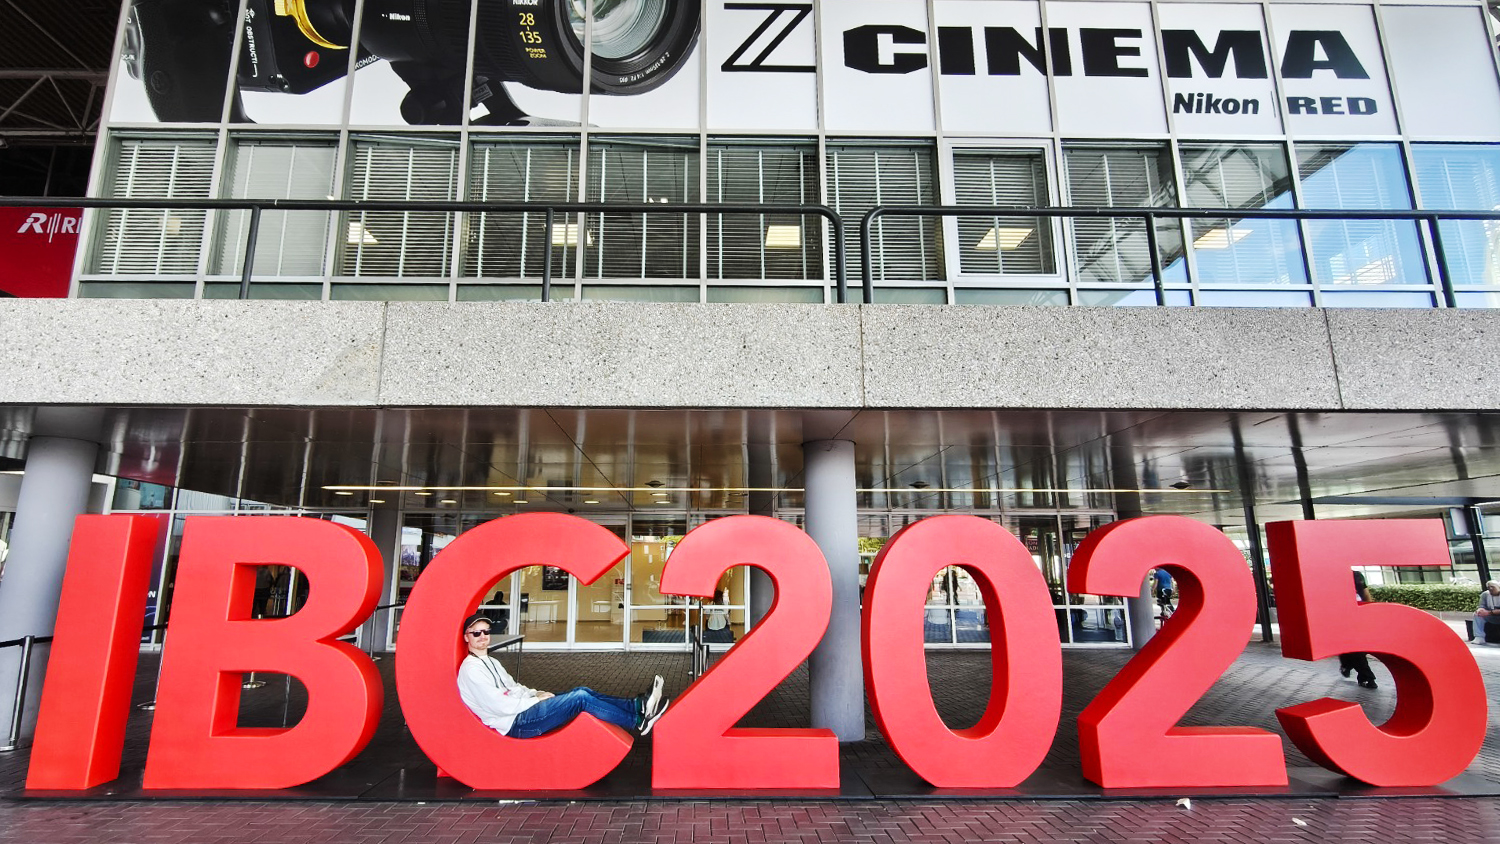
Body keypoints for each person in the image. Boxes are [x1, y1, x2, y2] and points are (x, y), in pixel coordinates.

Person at [457, 613, 669, 738]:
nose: (482, 637)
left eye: (485, 632)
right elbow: (498, 705)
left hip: (523, 709)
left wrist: (536, 693)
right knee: (581, 699)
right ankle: (637, 721)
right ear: (467, 637)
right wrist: (533, 700)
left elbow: (513, 687)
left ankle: (636, 706)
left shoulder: (490, 661)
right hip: (517, 722)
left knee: (581, 691)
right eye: (476, 633)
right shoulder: (471, 670)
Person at [1339, 571, 1378, 689]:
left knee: (1356, 649)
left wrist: (1369, 614)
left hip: (1355, 617)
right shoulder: (1330, 575)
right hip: (1340, 617)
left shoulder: (1355, 575)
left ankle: (1354, 669)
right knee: (1349, 647)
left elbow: (1365, 595)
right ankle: (1364, 675)